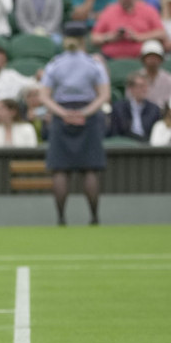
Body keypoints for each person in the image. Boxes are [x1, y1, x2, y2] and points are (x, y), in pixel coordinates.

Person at [39, 22, 112, 225]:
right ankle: (94, 217)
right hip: (87, 115)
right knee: (90, 169)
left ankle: (61, 218)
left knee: (60, 170)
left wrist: (63, 113)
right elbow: (104, 94)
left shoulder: (55, 64)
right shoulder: (93, 63)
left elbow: (44, 96)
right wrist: (84, 112)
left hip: (62, 114)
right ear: (83, 40)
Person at [107, 71, 162, 142]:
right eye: (140, 86)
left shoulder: (154, 109)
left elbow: (155, 134)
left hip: (146, 147)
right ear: (131, 88)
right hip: (124, 146)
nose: (144, 89)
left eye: (146, 86)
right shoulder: (119, 108)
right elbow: (115, 132)